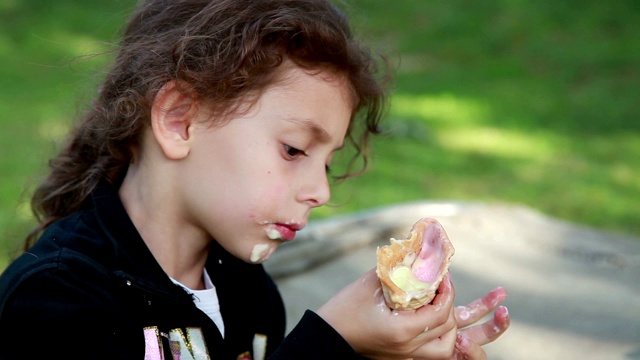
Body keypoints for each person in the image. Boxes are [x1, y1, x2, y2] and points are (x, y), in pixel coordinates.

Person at [0, 0, 510, 359]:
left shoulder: (249, 293)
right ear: (180, 120)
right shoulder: (57, 301)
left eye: (327, 161)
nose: (322, 191)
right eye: (293, 149)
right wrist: (331, 341)